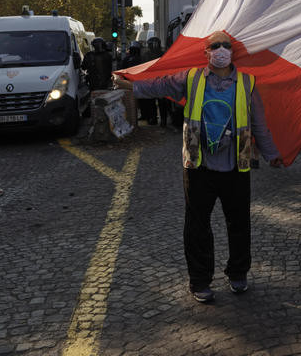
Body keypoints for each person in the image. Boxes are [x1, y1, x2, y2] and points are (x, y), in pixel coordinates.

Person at [113, 31, 283, 302]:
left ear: (233, 52)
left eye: (226, 45)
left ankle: (238, 274)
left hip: (235, 167)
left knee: (239, 224)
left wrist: (272, 153)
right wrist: (130, 85)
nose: (221, 50)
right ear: (206, 52)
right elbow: (161, 85)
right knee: (197, 226)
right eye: (215, 45)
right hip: (198, 165)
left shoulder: (248, 83)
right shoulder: (191, 79)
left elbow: (259, 124)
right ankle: (200, 281)